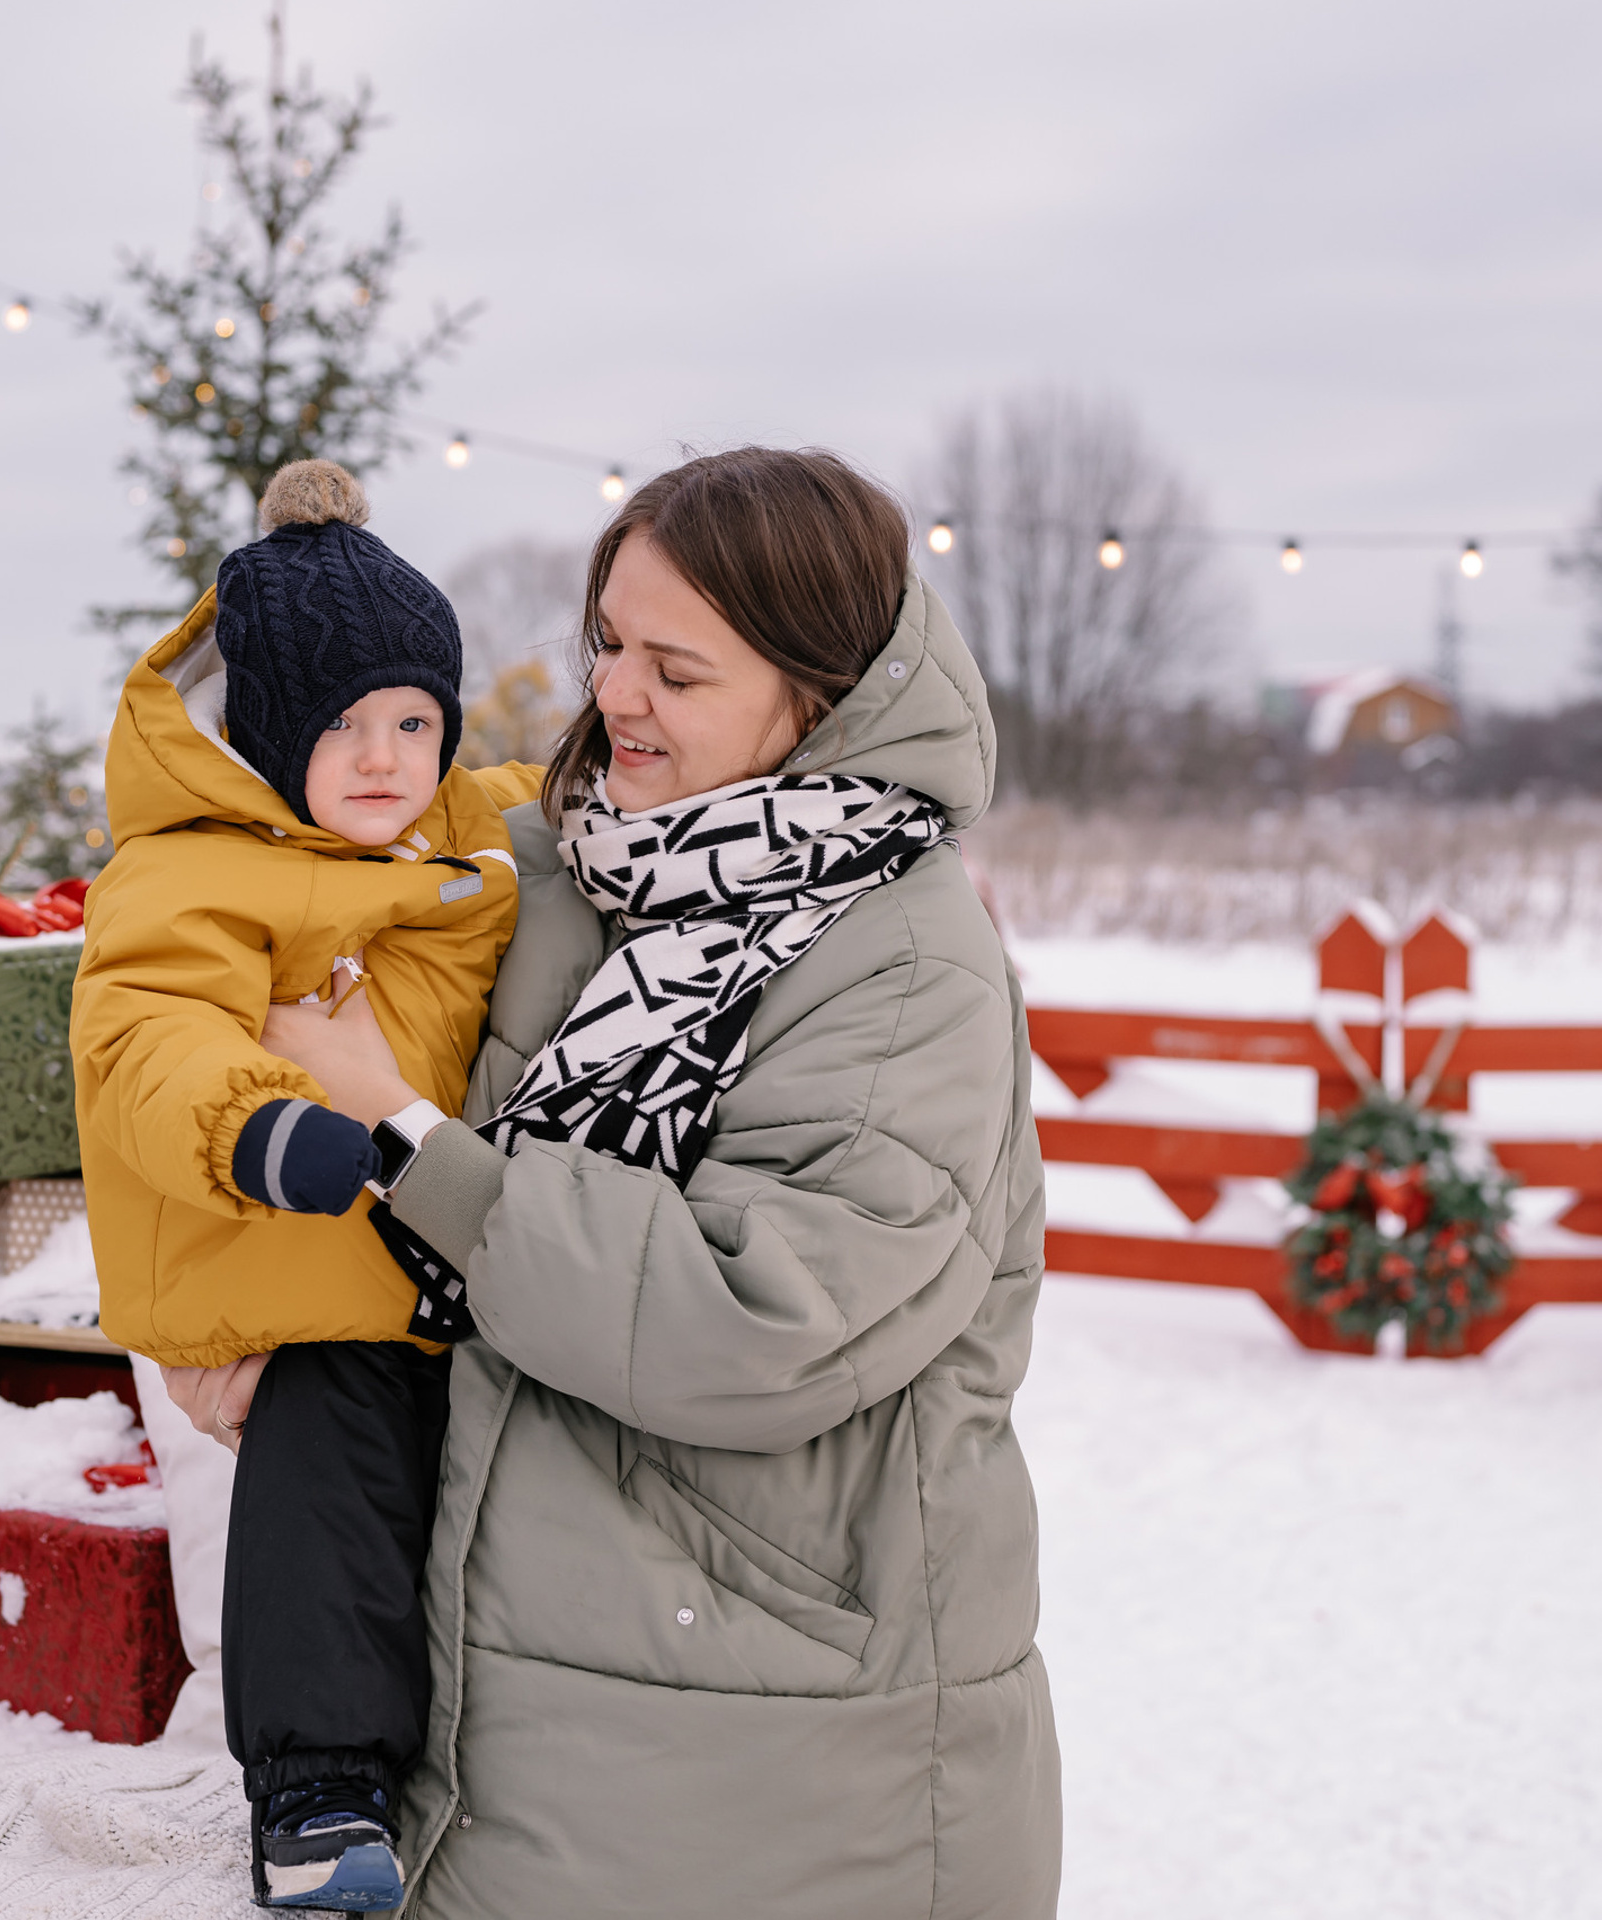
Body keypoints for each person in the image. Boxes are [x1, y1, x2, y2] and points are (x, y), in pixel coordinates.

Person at [185, 444, 1062, 1917]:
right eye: (606, 644)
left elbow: (763, 1320)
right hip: (536, 1724)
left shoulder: (904, 965)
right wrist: (237, 1309)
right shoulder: (549, 868)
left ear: (819, 694)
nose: (615, 695)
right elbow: (253, 1011)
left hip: (775, 1754)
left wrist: (406, 1140)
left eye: (678, 667)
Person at [70, 459, 541, 1911]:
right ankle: (317, 1794)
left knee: (487, 1511)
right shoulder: (195, 876)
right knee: (323, 1495)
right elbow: (149, 1034)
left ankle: (515, 1766)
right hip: (303, 1266)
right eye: (345, 725)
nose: (388, 756)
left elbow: (564, 803)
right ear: (270, 734)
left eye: (414, 718)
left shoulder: (468, 833)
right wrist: (267, 1124)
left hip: (452, 1265)